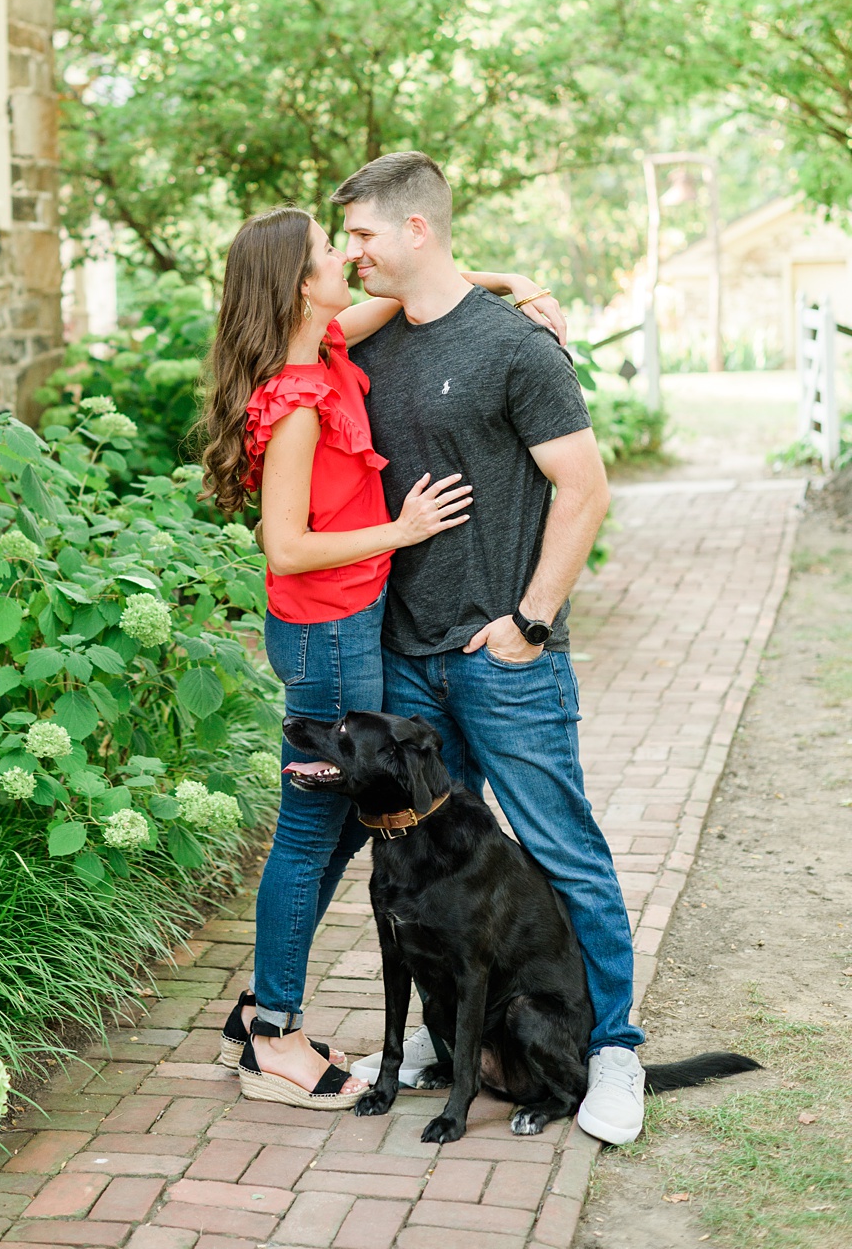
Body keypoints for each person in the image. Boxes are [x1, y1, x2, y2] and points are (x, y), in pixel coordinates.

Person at [198, 207, 549, 1108]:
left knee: (346, 823)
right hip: (326, 638)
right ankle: (273, 1032)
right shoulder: (302, 401)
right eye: (328, 254)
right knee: (311, 831)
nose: (346, 262)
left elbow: (401, 302)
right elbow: (283, 546)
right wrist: (402, 528)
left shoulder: (323, 348)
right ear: (297, 285)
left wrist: (503, 285)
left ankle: (260, 1009)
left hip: (345, 629)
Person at [331, 150, 642, 1144]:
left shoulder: (518, 349)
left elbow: (583, 486)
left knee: (562, 850)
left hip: (502, 657)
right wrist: (505, 272)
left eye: (364, 235)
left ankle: (615, 1049)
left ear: (416, 229)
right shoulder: (371, 347)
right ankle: (449, 1039)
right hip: (409, 658)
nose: (351, 254)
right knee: (430, 868)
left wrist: (531, 621)